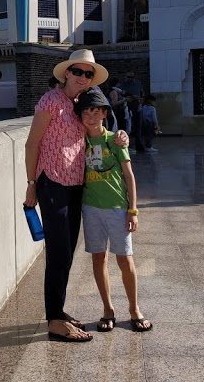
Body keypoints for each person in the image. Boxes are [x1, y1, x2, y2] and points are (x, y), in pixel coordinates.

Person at [24, 49, 128, 343]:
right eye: (78, 71)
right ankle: (54, 321)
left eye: (88, 74)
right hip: (52, 183)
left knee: (67, 251)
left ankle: (58, 310)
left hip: (75, 184)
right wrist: (31, 183)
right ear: (67, 73)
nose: (83, 77)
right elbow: (32, 144)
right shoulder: (50, 101)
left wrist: (121, 136)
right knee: (58, 252)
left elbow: (98, 131)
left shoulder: (81, 104)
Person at [75, 89, 152, 333]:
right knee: (99, 258)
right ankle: (107, 309)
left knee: (125, 259)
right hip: (91, 208)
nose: (91, 117)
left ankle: (134, 309)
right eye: (86, 113)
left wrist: (133, 210)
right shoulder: (79, 142)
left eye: (96, 112)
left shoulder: (116, 140)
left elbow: (129, 176)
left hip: (117, 208)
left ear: (105, 114)